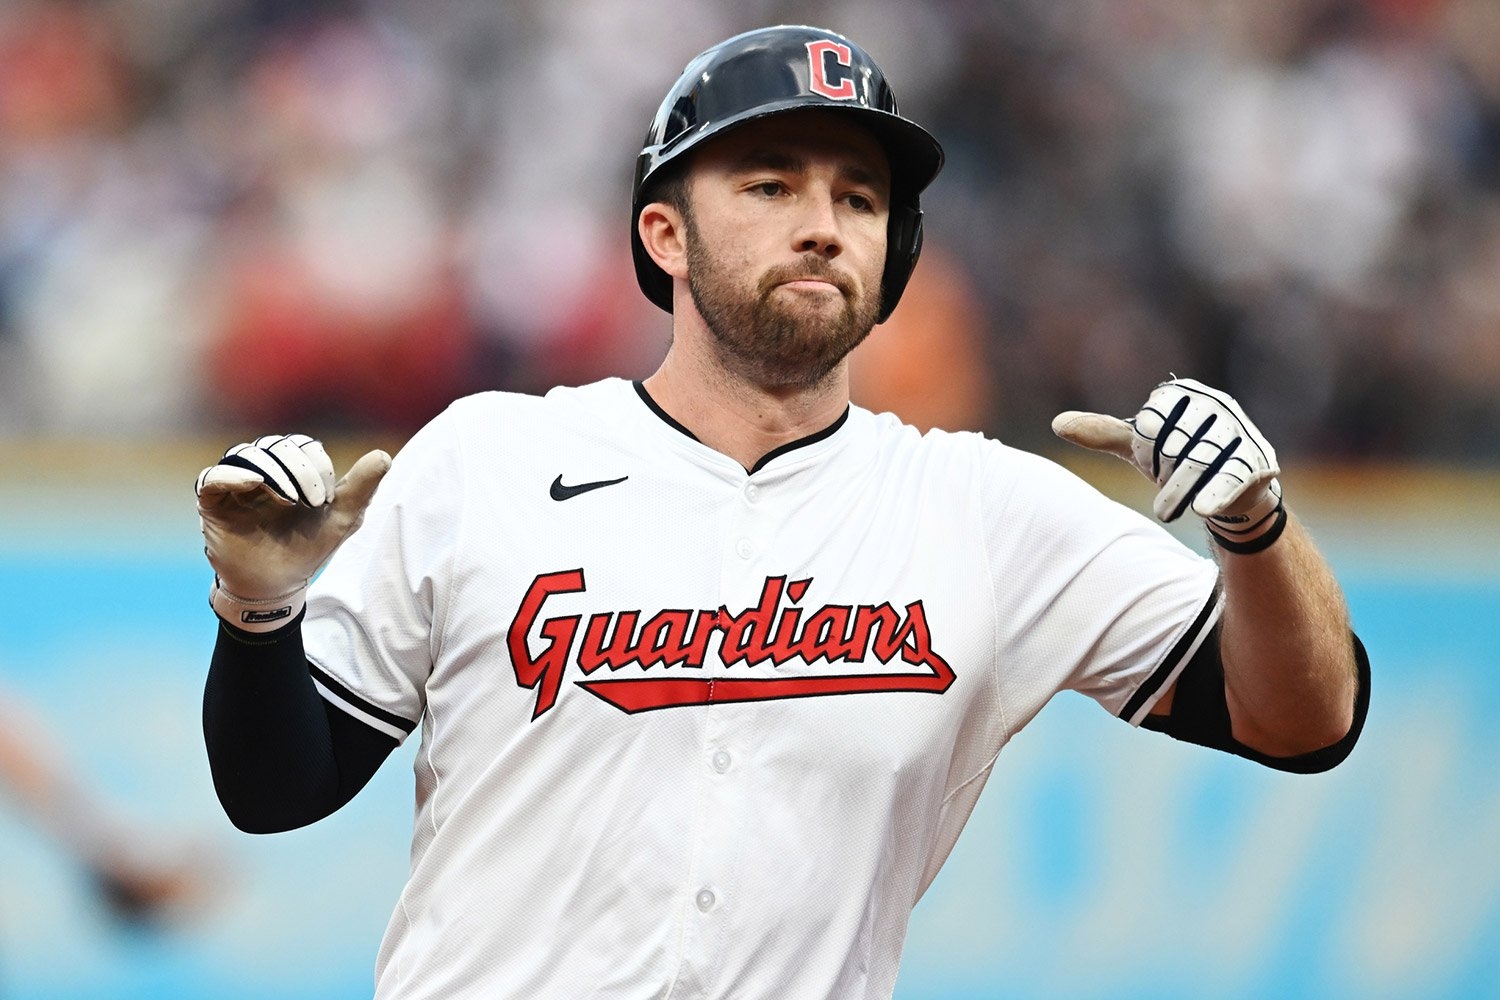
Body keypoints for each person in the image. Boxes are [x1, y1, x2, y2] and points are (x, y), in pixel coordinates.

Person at [194, 25, 1369, 1000]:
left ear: (893, 253)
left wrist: (1257, 530)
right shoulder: (489, 458)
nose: (823, 222)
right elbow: (276, 789)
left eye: (860, 197)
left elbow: (1307, 721)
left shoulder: (985, 509)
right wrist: (257, 612)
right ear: (665, 233)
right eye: (769, 185)